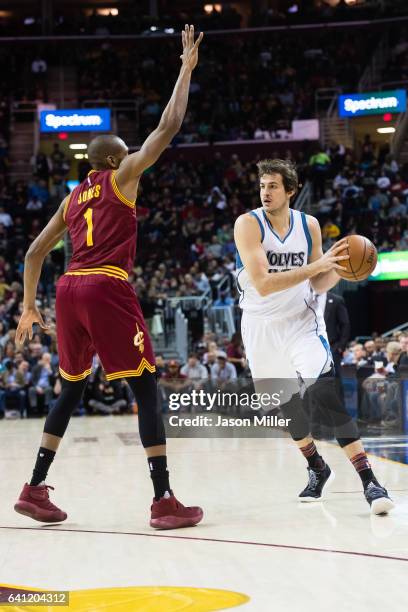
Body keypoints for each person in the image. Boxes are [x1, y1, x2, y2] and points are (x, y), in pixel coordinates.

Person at [14, 25, 204, 530]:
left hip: (67, 288)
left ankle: (34, 488)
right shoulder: (123, 177)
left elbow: (34, 252)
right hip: (104, 284)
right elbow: (168, 126)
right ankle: (163, 500)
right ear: (117, 160)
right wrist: (184, 70)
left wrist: (29, 306)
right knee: (145, 390)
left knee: (70, 390)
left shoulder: (72, 197)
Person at [234, 158, 394, 515]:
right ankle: (318, 467)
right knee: (288, 407)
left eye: (273, 186)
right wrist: (316, 267)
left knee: (325, 395)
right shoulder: (248, 224)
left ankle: (370, 481)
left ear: (291, 190)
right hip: (260, 326)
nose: (266, 192)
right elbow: (263, 282)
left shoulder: (309, 226)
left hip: (301, 322)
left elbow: (319, 281)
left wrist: (340, 269)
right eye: (262, 185)